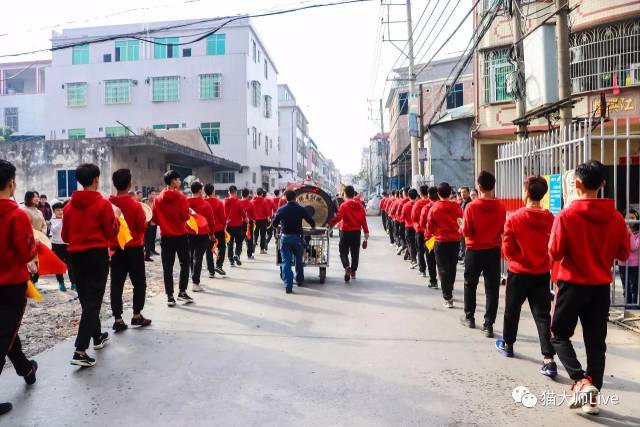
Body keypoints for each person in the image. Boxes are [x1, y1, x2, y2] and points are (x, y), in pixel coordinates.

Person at [549, 160, 629, 415]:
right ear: (603, 184)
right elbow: (624, 254)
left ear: (577, 184)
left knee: (559, 334)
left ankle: (580, 381)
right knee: (596, 343)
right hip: (600, 288)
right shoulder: (616, 218)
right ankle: (592, 398)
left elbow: (554, 252)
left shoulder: (566, 216)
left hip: (572, 284)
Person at [495, 176, 557, 379]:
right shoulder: (551, 219)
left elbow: (507, 249)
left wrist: (519, 259)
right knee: (542, 316)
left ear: (527, 193)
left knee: (512, 311)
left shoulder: (514, 219)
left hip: (519, 273)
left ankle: (508, 344)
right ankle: (548, 359)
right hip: (541, 273)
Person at [62, 163, 119, 367]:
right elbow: (111, 232)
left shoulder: (69, 206)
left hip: (75, 257)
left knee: (87, 299)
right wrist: (117, 223)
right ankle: (80, 350)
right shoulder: (103, 204)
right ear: (96, 179)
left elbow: (65, 235)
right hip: (96, 255)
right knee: (93, 301)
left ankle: (97, 337)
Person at [0, 160, 38, 416]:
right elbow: (26, 251)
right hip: (10, 284)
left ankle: (25, 368)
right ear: (12, 183)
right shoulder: (16, 215)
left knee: (7, 330)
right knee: (4, 335)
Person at [460, 171, 506, 338]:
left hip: (474, 250)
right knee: (492, 289)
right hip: (493, 250)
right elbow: (502, 229)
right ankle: (488, 325)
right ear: (493, 186)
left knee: (470, 284)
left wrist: (461, 228)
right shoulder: (501, 207)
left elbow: (467, 231)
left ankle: (469, 317)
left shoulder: (471, 206)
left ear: (479, 187)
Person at [109, 169, 152, 332]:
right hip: (134, 249)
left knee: (116, 284)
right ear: (129, 184)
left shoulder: (108, 203)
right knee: (139, 282)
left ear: (114, 184)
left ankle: (118, 318)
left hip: (116, 249)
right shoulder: (135, 205)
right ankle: (136, 314)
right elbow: (142, 227)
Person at [152, 170, 193, 307]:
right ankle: (182, 291)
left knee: (167, 267)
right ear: (174, 181)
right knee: (185, 263)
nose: (180, 182)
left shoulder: (157, 199)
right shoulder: (181, 197)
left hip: (166, 237)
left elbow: (155, 219)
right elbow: (185, 217)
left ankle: (170, 296)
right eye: (179, 180)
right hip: (181, 235)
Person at [272, 190, 316, 293]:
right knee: (298, 259)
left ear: (286, 198)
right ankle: (299, 279)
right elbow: (311, 221)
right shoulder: (300, 209)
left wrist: (280, 226)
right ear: (295, 198)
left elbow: (274, 224)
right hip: (297, 238)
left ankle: (288, 285)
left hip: (285, 238)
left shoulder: (281, 209)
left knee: (286, 261)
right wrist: (313, 227)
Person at [426, 182, 463, 308]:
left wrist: (428, 236)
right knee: (452, 266)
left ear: (438, 194)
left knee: (442, 268)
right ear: (450, 193)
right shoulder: (457, 207)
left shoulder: (434, 208)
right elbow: (461, 222)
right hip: (455, 241)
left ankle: (447, 297)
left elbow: (429, 227)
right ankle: (450, 288)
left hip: (440, 241)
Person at [328, 185, 369, 282]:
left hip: (345, 232)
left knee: (343, 251)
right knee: (355, 253)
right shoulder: (360, 205)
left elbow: (338, 218)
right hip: (356, 233)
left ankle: (347, 267)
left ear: (345, 194)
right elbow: (363, 220)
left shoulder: (344, 205)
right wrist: (366, 232)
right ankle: (353, 271)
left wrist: (329, 223)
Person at [188, 181, 215, 292]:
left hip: (188, 232)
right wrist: (212, 234)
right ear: (200, 190)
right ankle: (195, 282)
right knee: (198, 257)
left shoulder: (185, 202)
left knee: (191, 256)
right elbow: (211, 222)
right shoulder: (205, 204)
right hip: (203, 233)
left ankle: (193, 276)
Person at [50, 202, 75, 292]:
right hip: (56, 245)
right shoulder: (52, 220)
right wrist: (62, 221)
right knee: (58, 265)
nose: (60, 212)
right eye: (58, 210)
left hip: (67, 244)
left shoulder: (67, 219)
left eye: (61, 210)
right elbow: (54, 230)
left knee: (71, 265)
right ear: (54, 211)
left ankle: (73, 283)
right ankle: (61, 283)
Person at [204, 184, 227, 278]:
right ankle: (219, 265)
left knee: (208, 251)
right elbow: (223, 217)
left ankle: (211, 272)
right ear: (213, 191)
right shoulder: (219, 202)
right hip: (219, 229)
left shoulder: (203, 202)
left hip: (207, 230)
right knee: (222, 247)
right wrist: (225, 225)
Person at [419, 186, 440, 288]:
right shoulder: (451, 206)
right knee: (443, 262)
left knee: (431, 260)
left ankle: (433, 281)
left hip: (431, 237)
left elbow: (422, 224)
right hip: (444, 238)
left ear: (428, 195)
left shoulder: (427, 208)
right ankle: (447, 283)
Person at [618, 210, 639, 306]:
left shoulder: (638, 234)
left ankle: (633, 307)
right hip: (622, 264)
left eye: (632, 218)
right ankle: (627, 306)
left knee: (633, 288)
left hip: (633, 265)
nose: (629, 220)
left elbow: (634, 247)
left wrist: (629, 234)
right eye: (627, 217)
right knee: (625, 288)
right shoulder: (621, 230)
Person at [412, 185, 430, 278]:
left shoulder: (417, 204)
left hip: (419, 231)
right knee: (430, 252)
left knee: (420, 251)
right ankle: (433, 273)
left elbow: (413, 218)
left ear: (420, 193)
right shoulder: (432, 203)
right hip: (430, 232)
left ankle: (422, 270)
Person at [225, 185, 245, 267]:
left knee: (230, 244)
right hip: (238, 226)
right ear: (236, 192)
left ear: (229, 192)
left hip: (228, 226)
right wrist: (246, 218)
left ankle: (231, 262)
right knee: (239, 242)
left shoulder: (224, 202)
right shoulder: (239, 202)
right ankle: (236, 254)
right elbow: (242, 213)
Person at [402, 189, 419, 268]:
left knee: (410, 243)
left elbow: (402, 217)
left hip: (408, 227)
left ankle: (413, 260)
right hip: (418, 227)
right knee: (416, 244)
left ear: (408, 196)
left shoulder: (406, 205)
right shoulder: (419, 204)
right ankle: (410, 255)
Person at [252, 188, 271, 254]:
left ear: (256, 193)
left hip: (255, 220)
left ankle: (253, 245)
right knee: (263, 235)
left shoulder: (253, 201)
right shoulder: (264, 201)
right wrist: (268, 217)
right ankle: (262, 250)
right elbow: (266, 210)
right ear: (262, 194)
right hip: (263, 220)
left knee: (255, 234)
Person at [144, 189, 159, 261]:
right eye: (152, 194)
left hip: (154, 222)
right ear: (149, 194)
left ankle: (152, 250)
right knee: (148, 239)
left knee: (153, 237)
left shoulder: (155, 202)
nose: (154, 196)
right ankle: (148, 251)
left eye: (155, 194)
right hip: (148, 223)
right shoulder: (146, 202)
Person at [458, 186, 472, 261]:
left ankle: (466, 258)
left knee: (467, 244)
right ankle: (464, 257)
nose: (462, 194)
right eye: (461, 192)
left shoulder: (470, 203)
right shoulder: (461, 203)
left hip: (467, 226)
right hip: (461, 225)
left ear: (468, 193)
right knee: (462, 243)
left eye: (464, 192)